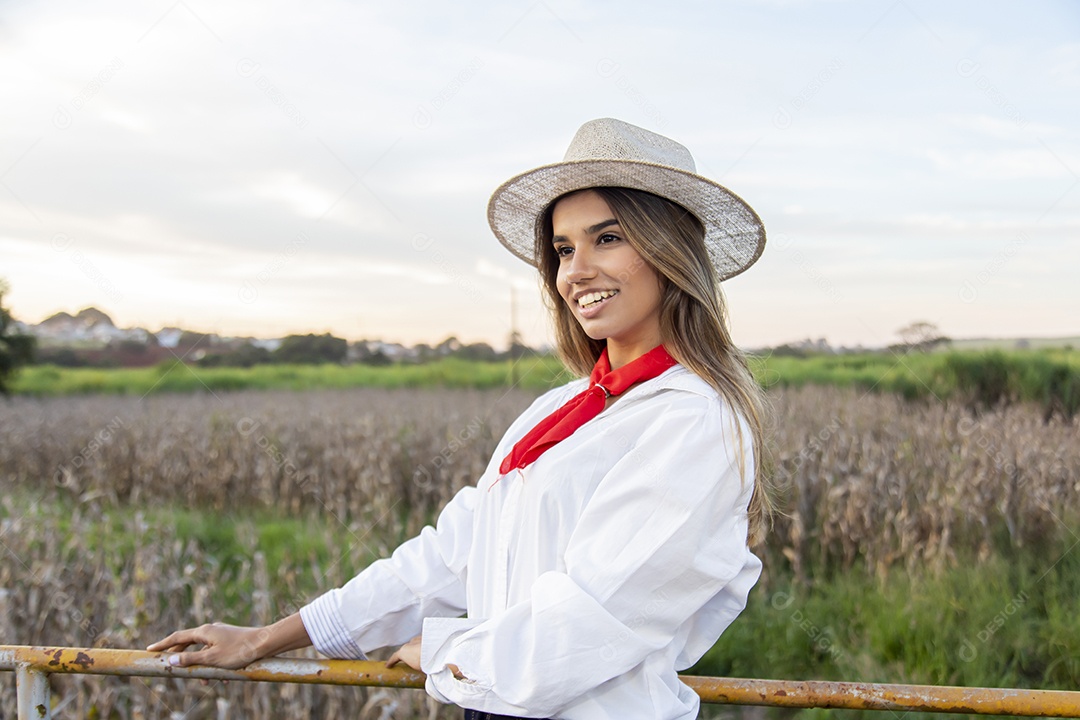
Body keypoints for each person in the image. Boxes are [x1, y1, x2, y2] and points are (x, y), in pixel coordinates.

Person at [149, 117, 774, 720]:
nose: (575, 271)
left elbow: (594, 621)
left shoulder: (695, 420)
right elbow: (450, 559)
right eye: (562, 249)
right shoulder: (557, 409)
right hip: (493, 707)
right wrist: (267, 638)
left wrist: (447, 653)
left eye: (607, 238)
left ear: (670, 252)